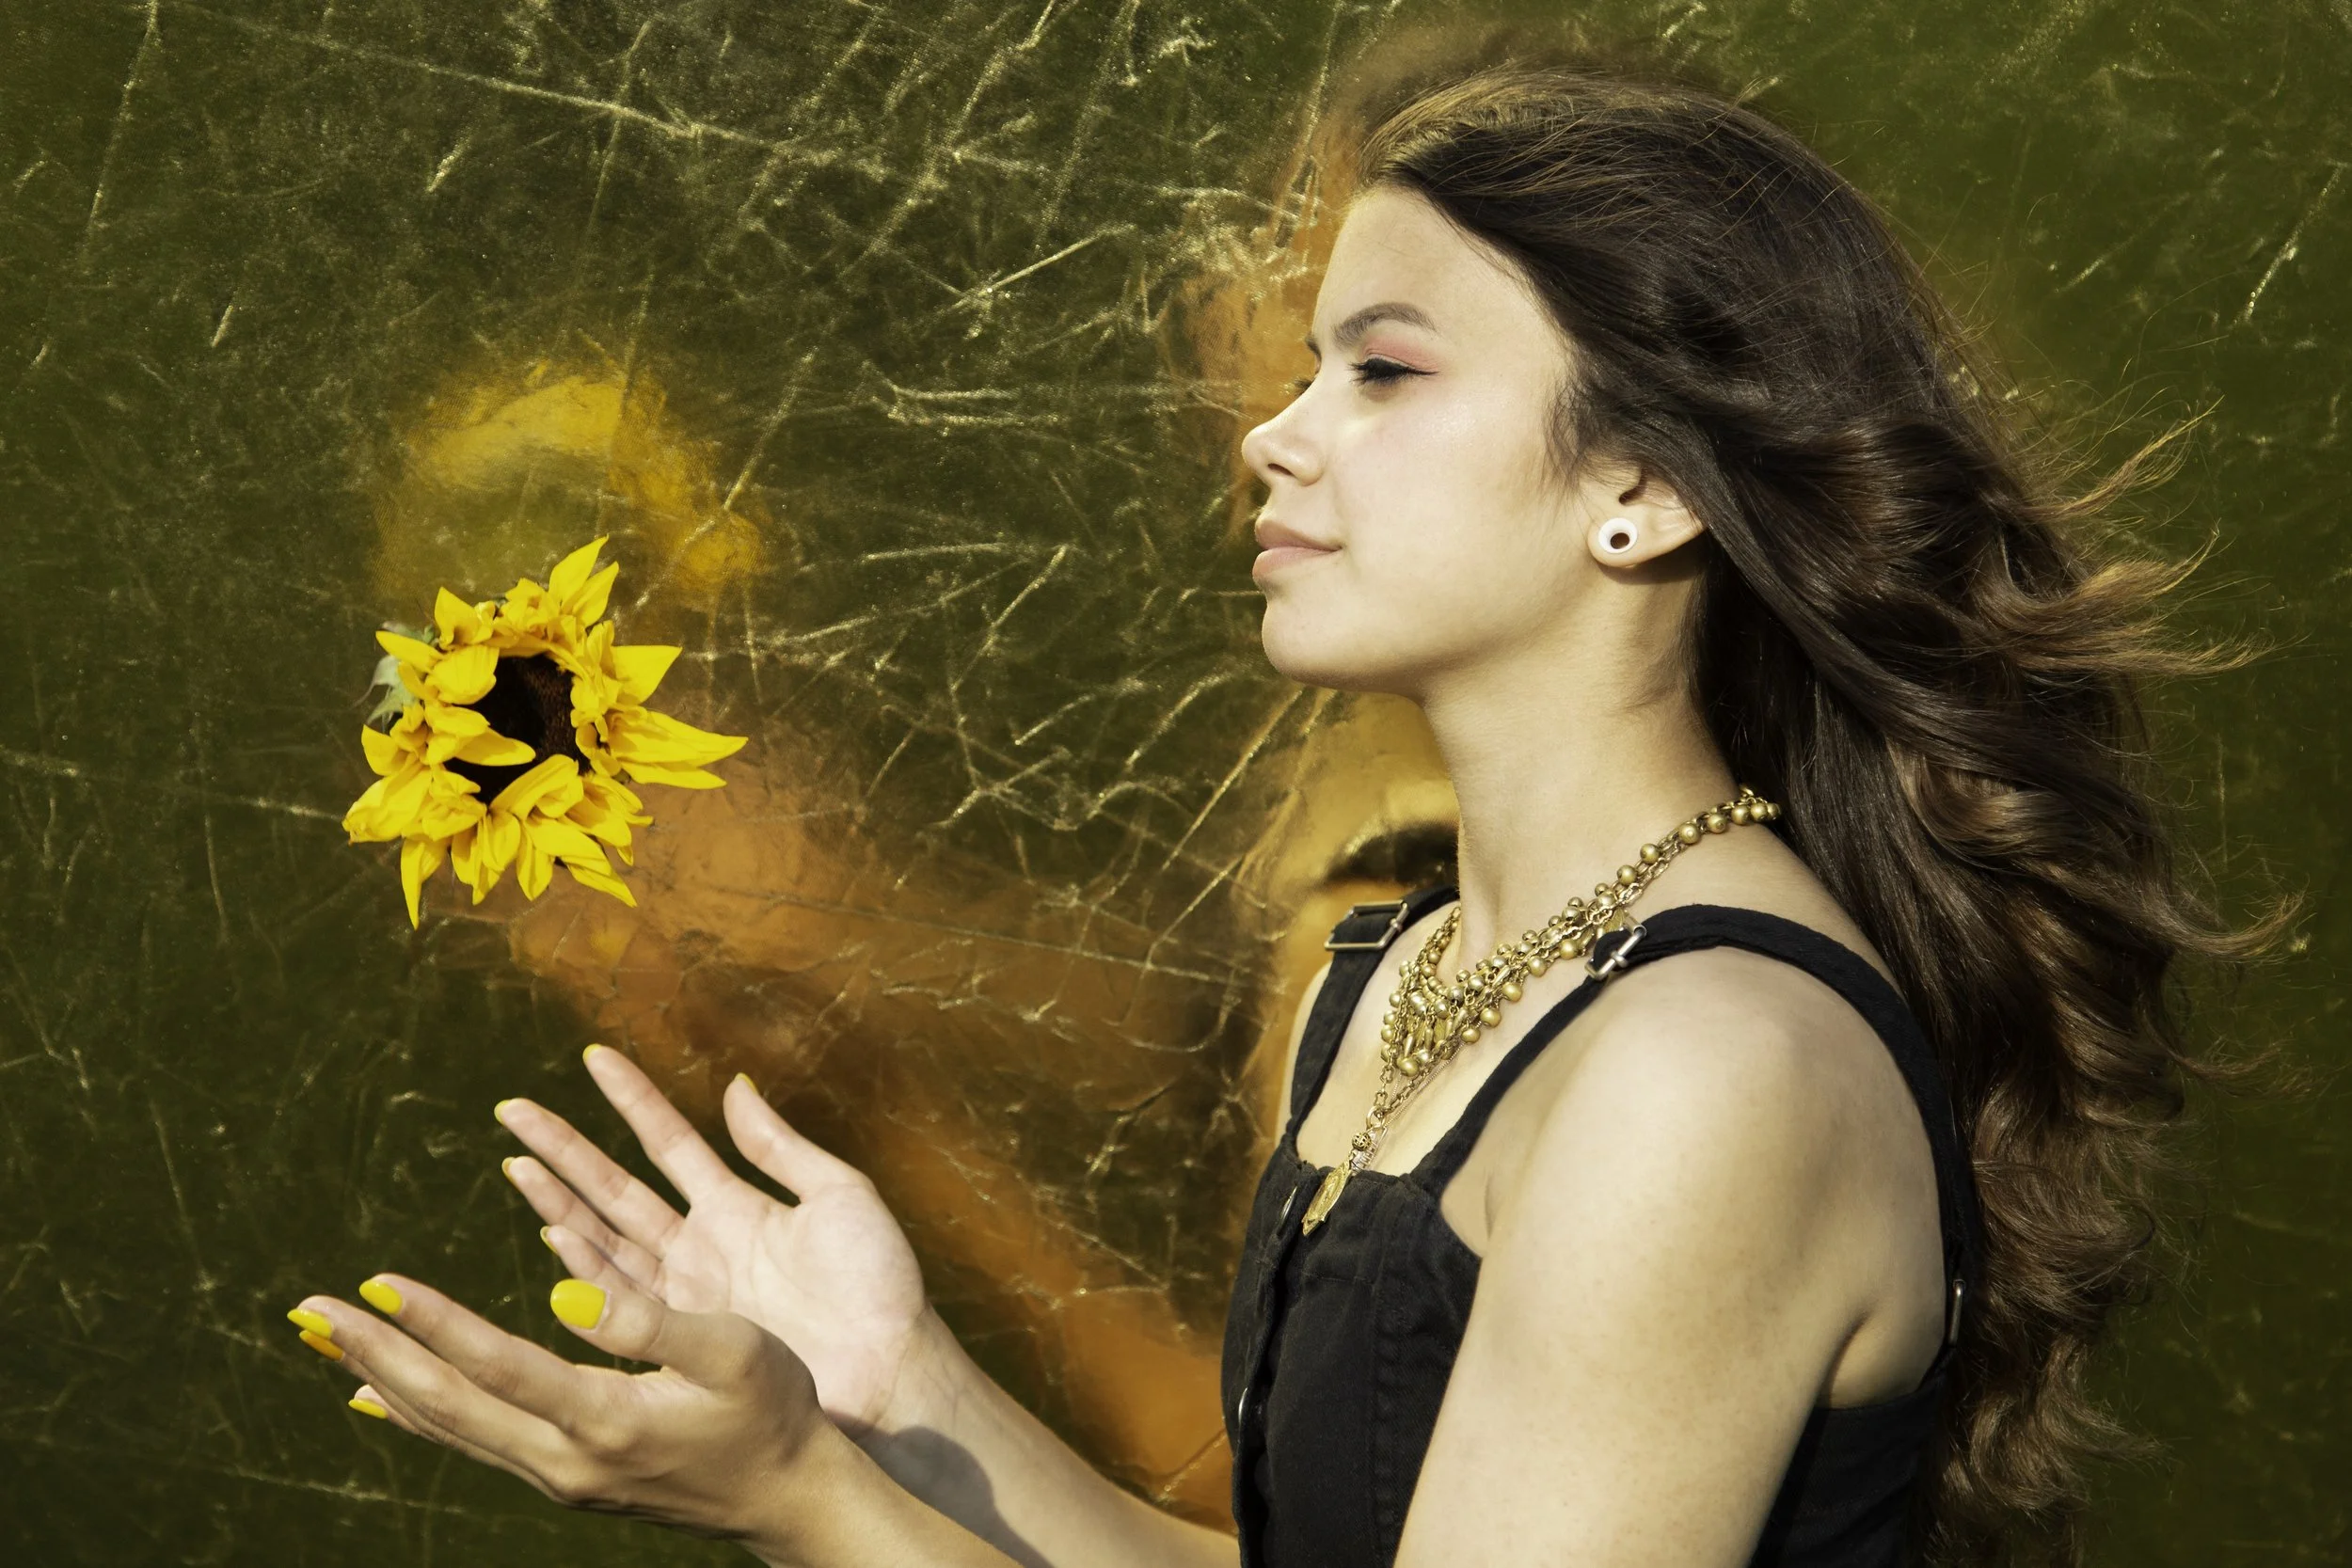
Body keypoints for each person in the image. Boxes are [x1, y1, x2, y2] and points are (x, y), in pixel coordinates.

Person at [287, 55, 2259, 1568]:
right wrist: (898, 1386)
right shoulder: (1408, 976)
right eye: (1306, 361)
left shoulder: (1707, 1062)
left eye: (1382, 370)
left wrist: (809, 1495)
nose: (1275, 430)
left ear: (1642, 489)